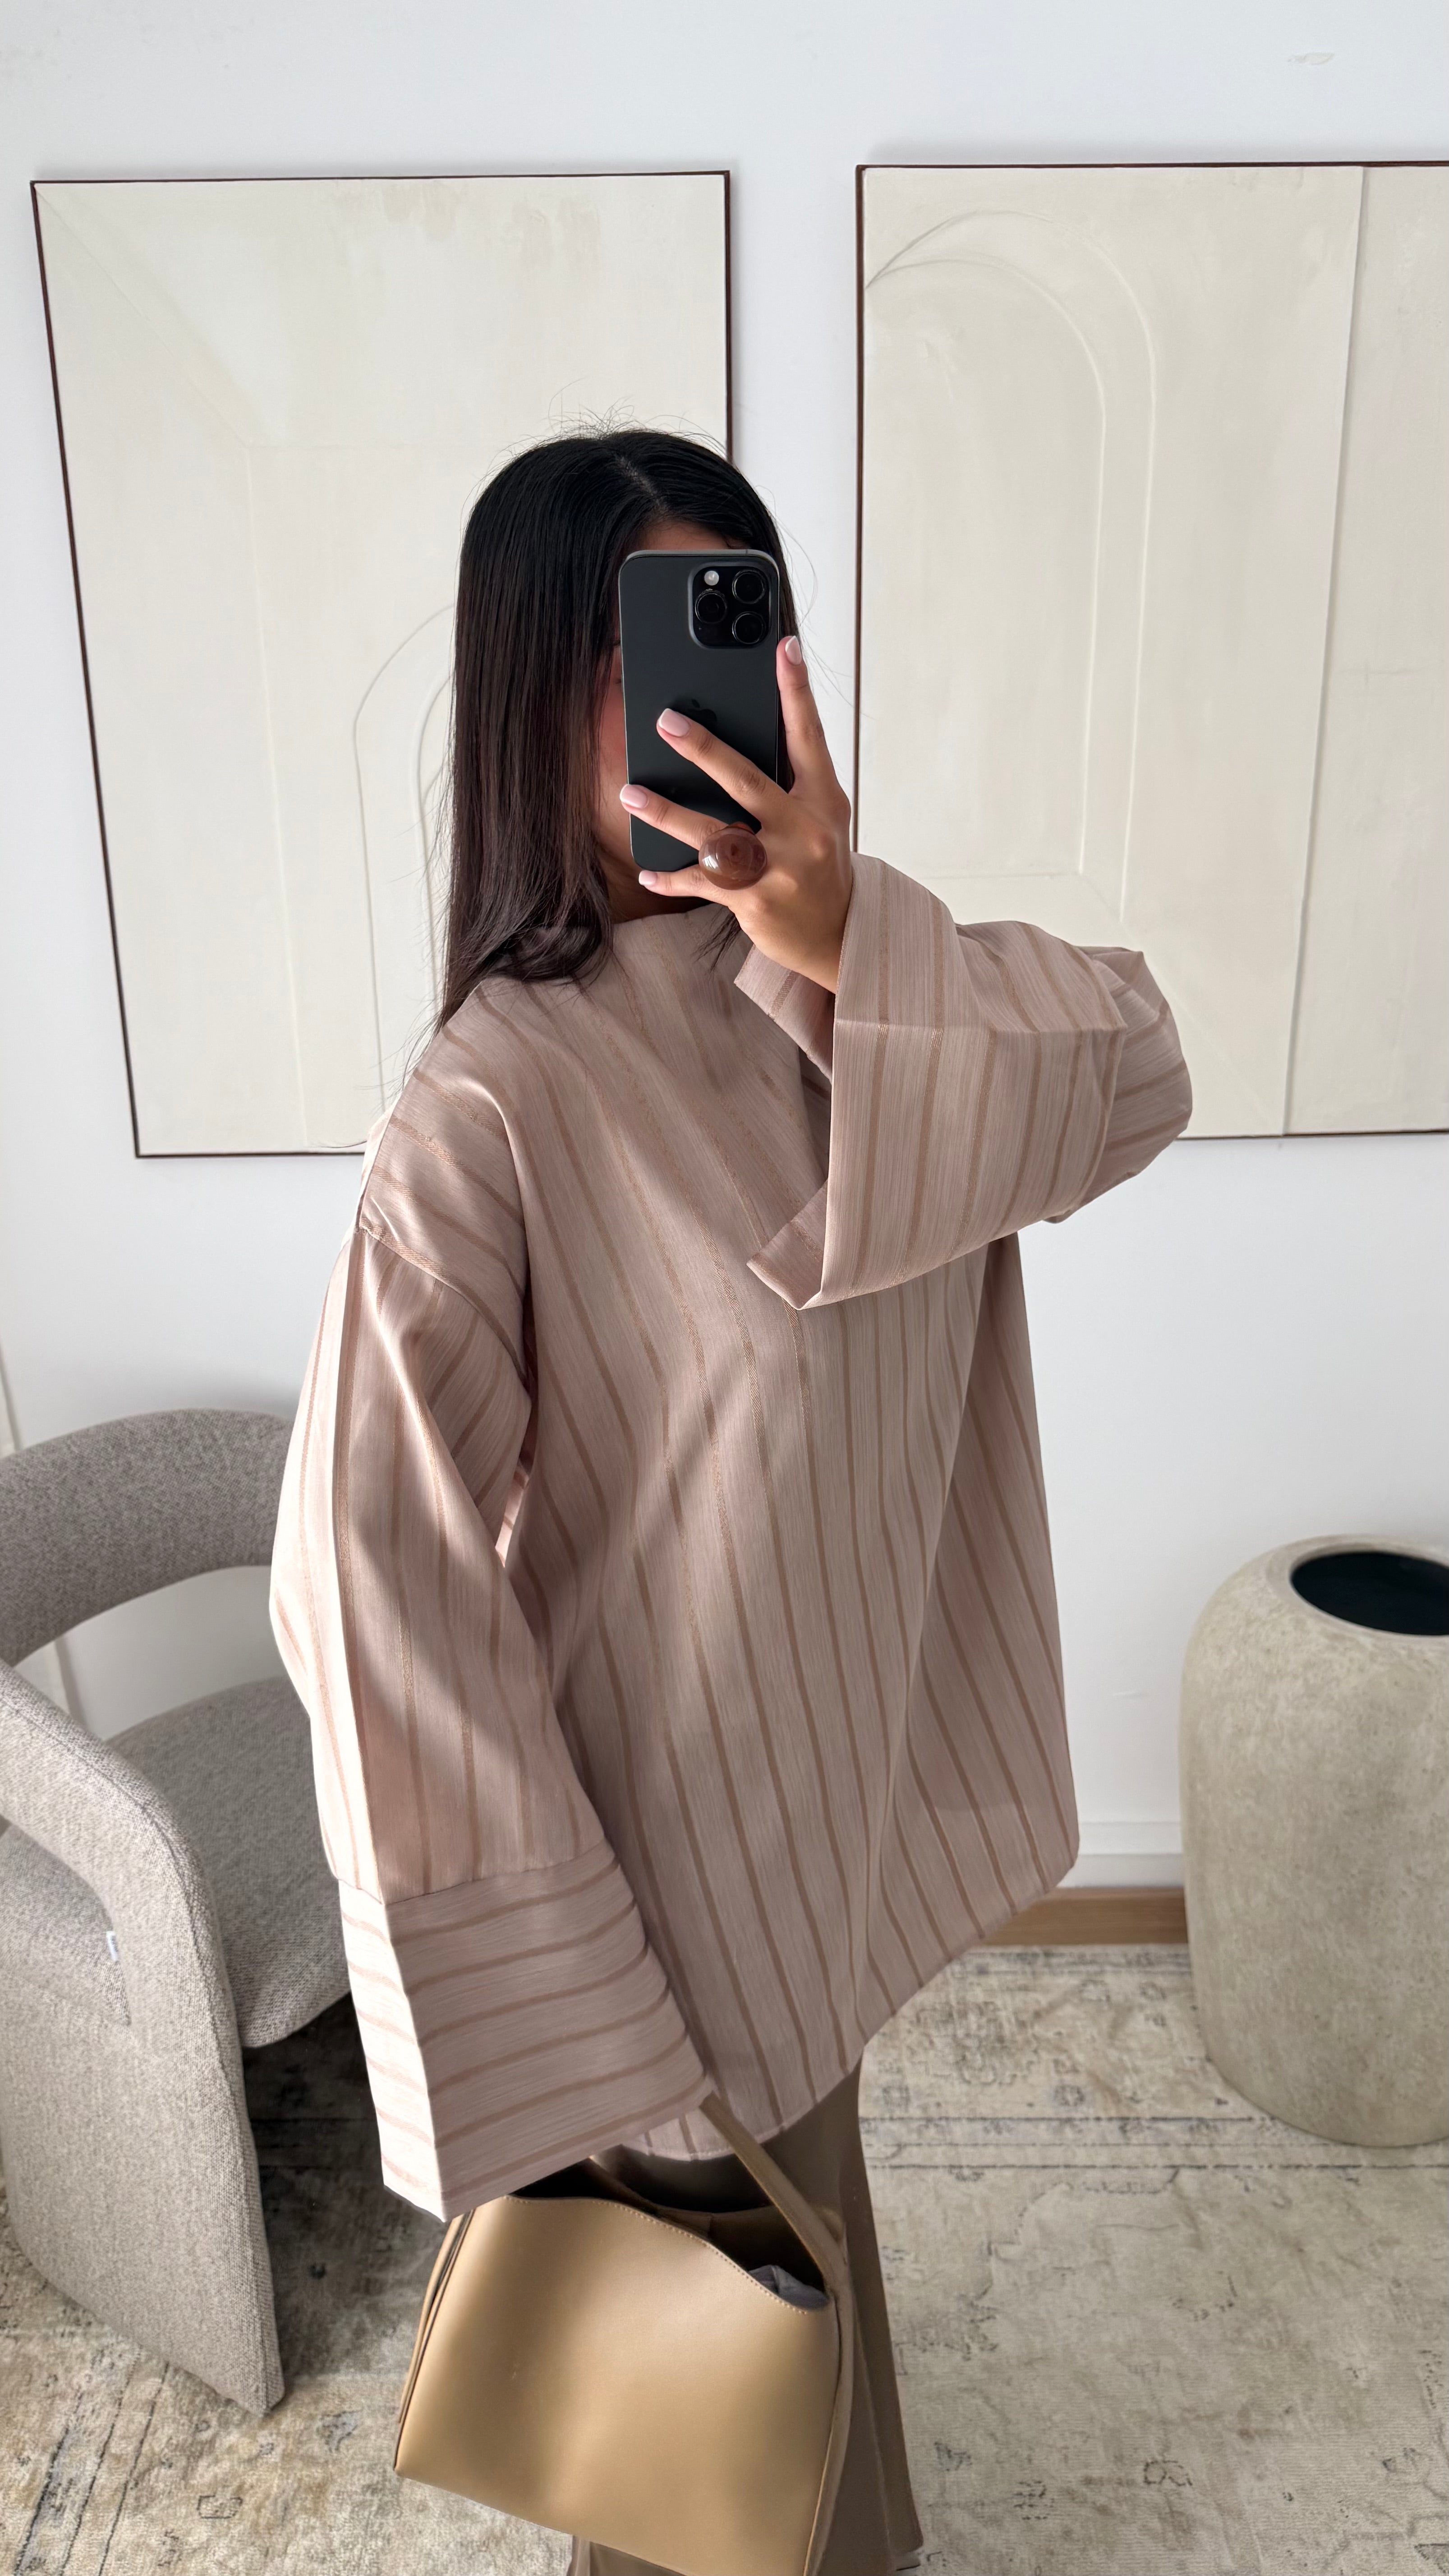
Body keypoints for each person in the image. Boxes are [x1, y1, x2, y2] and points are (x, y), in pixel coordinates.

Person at [268, 426, 1192, 2574]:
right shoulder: (492, 1108)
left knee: (786, 2318)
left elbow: (1137, 1075)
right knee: (690, 2422)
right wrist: (588, 2020)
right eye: (624, 654)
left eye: (724, 629)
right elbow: (365, 1589)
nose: (679, 705)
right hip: (658, 1897)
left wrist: (848, 928)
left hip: (825, 1831)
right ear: (527, 687)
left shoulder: (853, 992)